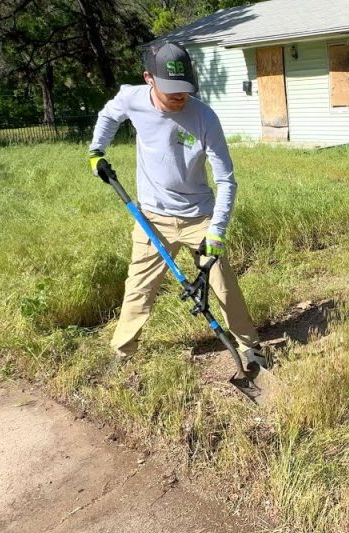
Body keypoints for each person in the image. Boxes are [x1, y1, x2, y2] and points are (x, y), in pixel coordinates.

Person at [88, 41, 265, 368]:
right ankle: (122, 354)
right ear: (149, 79)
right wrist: (96, 152)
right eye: (172, 90)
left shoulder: (205, 118)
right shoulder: (132, 98)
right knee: (139, 287)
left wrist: (216, 233)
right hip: (152, 218)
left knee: (224, 287)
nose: (180, 97)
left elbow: (226, 180)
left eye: (185, 89)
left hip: (199, 217)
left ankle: (249, 346)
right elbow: (109, 115)